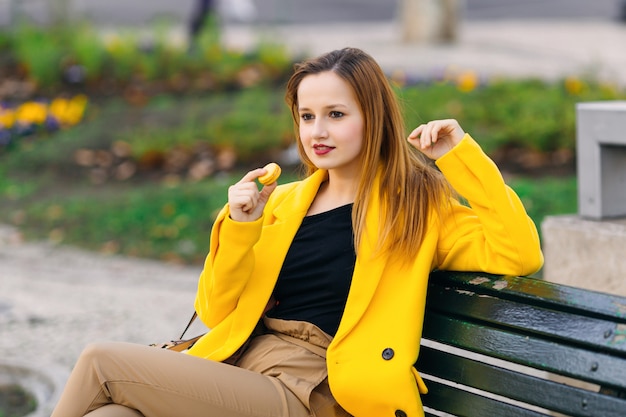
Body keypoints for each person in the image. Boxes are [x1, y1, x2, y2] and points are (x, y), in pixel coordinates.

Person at [50, 47, 543, 417]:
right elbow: (215, 310)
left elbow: (517, 253)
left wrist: (459, 157)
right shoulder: (282, 202)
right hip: (243, 371)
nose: (317, 132)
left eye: (335, 115)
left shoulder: (417, 206)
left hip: (316, 391)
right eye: (307, 116)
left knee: (100, 361)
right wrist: (240, 228)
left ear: (374, 118)